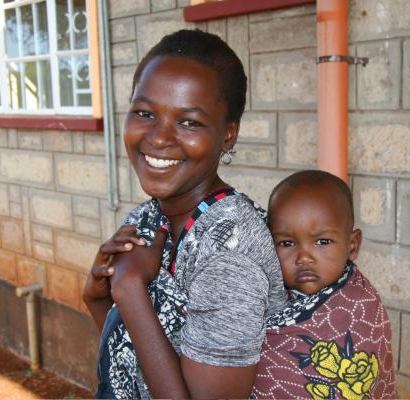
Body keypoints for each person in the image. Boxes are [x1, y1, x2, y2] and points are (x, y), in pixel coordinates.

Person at [82, 29, 287, 399]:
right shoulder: (148, 218)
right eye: (144, 113)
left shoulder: (229, 257)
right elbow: (132, 359)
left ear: (228, 134)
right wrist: (96, 298)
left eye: (189, 122)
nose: (159, 138)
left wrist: (128, 289)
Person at [252, 170, 395, 399]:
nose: (304, 257)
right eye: (287, 243)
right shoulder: (258, 295)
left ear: (352, 245)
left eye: (322, 241)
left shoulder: (362, 306)